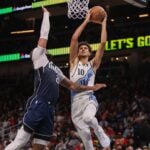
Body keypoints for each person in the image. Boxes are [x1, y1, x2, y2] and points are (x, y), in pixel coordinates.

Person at [5, 7, 106, 150]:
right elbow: (44, 34)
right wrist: (46, 15)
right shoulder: (39, 58)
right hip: (38, 104)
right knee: (21, 141)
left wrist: (90, 87)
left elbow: (72, 86)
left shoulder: (55, 69)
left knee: (40, 146)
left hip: (50, 109)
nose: (42, 47)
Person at [69, 10, 110, 150]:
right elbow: (74, 38)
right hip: (75, 105)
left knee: (88, 118)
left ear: (89, 52)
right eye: (81, 48)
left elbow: (103, 43)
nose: (83, 49)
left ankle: (99, 130)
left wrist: (104, 23)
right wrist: (86, 21)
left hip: (89, 100)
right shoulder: (74, 62)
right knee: (87, 141)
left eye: (86, 48)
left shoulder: (93, 64)